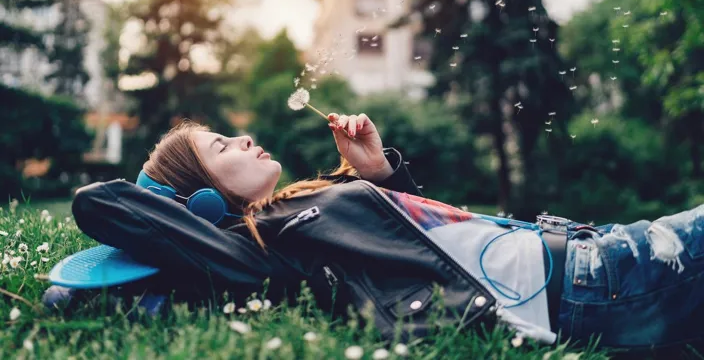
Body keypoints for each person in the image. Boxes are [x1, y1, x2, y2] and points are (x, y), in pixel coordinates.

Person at [71, 113, 704, 351]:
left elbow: (425, 252)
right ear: (203, 198)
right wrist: (182, 212)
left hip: (588, 253)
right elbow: (101, 202)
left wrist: (375, 173)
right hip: (582, 283)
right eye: (219, 144)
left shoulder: (299, 213)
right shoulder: (256, 250)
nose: (241, 135)